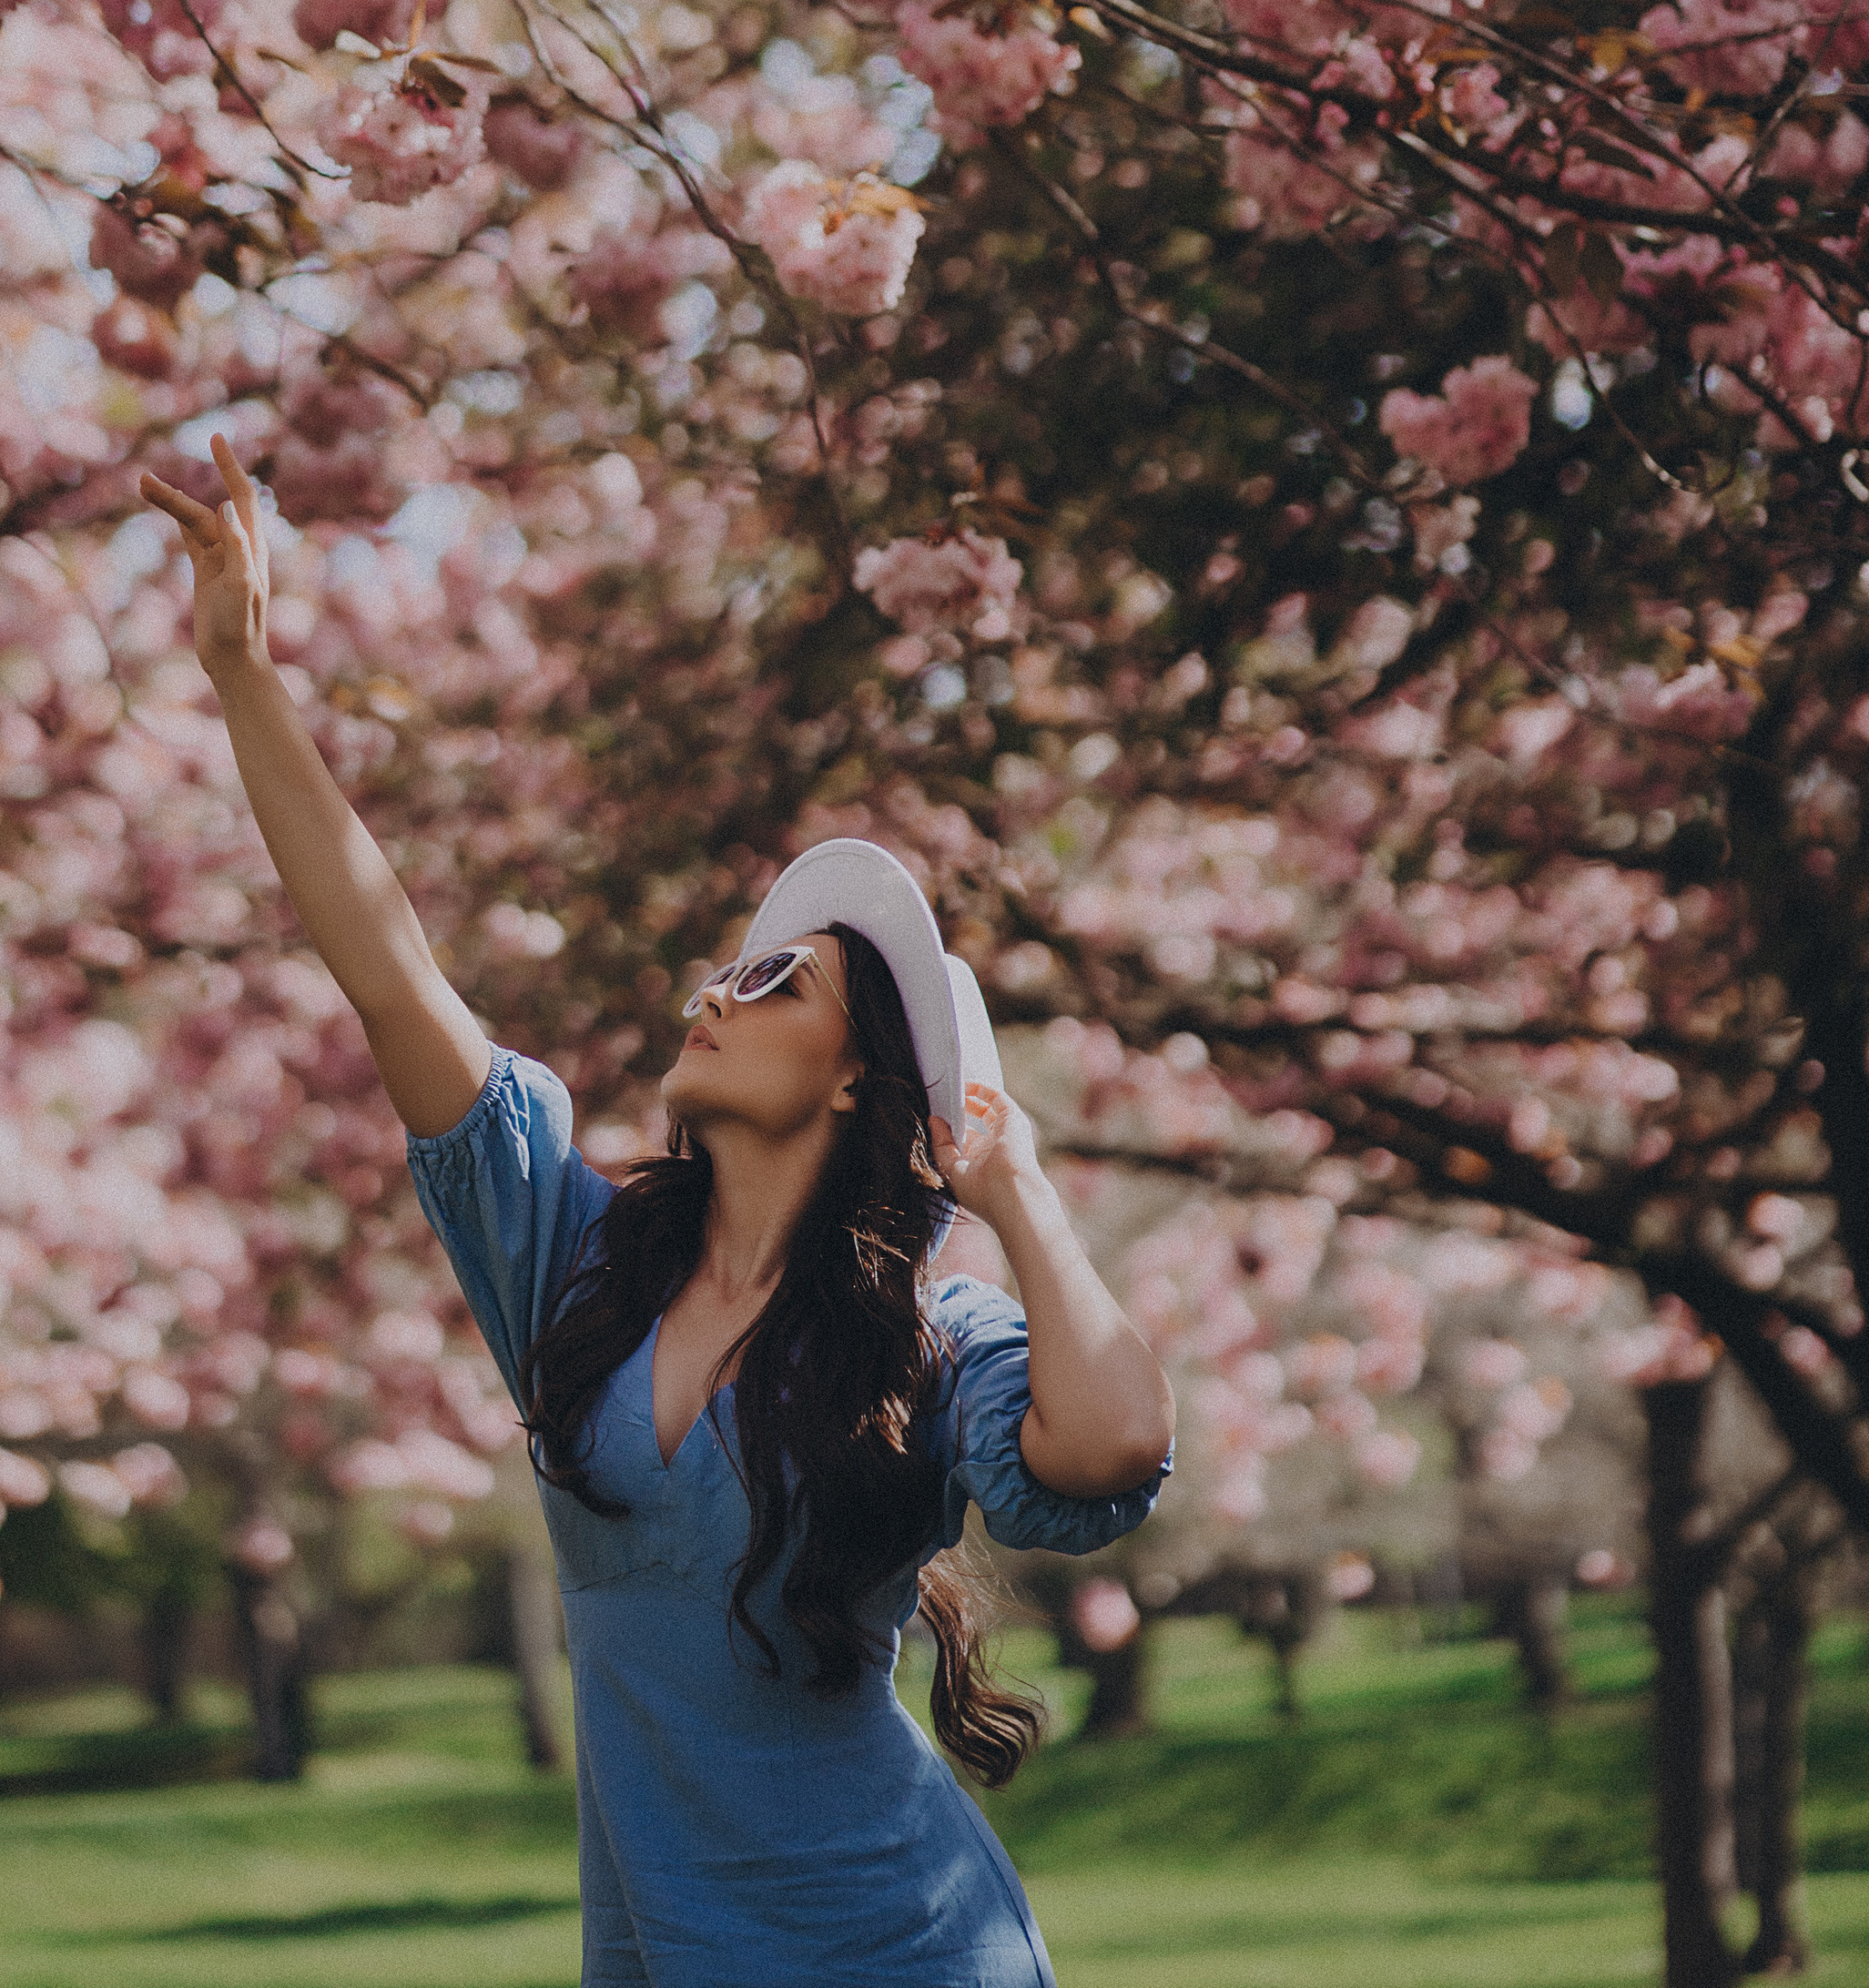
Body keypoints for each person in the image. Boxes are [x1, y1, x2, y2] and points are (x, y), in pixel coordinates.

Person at [142, 432, 1176, 1988]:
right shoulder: (574, 1265)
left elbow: (1108, 1450)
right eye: (728, 964)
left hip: (906, 1948)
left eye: (776, 981)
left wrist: (1012, 1182)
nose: (717, 987)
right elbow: (387, 970)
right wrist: (243, 675)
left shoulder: (930, 1338)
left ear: (852, 1080)